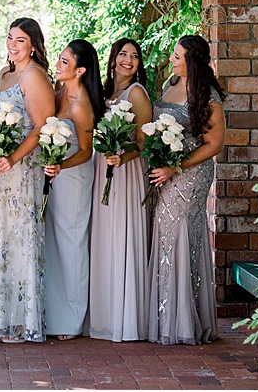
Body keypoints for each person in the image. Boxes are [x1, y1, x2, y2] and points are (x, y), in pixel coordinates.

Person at [146, 35, 226, 345]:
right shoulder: (170, 84)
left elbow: (215, 144)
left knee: (181, 235)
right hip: (167, 171)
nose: (172, 60)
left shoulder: (208, 96)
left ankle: (183, 320)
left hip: (190, 174)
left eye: (177, 57)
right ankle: (167, 314)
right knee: (165, 234)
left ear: (192, 61)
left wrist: (175, 167)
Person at [0, 18, 56, 343]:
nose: (12, 46)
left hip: (22, 167)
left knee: (22, 239)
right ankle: (6, 318)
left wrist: (12, 158)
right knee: (3, 241)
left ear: (33, 45)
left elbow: (43, 127)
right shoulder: (4, 75)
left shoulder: (34, 75)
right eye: (10, 39)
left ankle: (25, 320)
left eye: (19, 41)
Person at [89, 38, 153, 342]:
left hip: (126, 173)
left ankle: (126, 319)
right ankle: (104, 317)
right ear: (113, 58)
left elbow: (145, 142)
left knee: (123, 236)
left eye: (135, 56)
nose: (129, 60)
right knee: (104, 239)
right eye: (124, 54)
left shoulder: (136, 93)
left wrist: (122, 157)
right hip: (103, 170)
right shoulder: (102, 93)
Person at [43, 40, 103, 341]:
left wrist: (60, 167)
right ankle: (55, 314)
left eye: (65, 62)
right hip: (55, 174)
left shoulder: (81, 104)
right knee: (54, 242)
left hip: (74, 175)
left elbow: (85, 151)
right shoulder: (57, 92)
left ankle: (73, 319)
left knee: (72, 243)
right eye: (60, 58)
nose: (59, 64)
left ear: (80, 70)